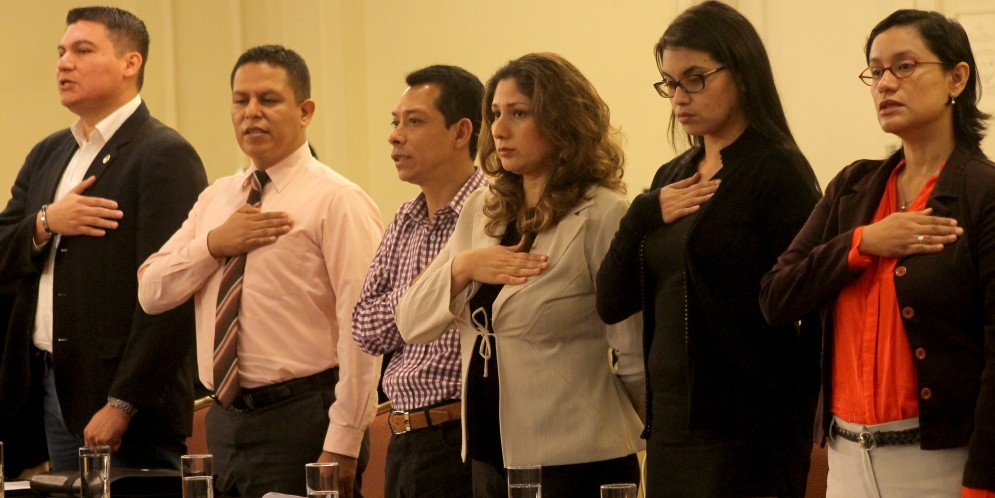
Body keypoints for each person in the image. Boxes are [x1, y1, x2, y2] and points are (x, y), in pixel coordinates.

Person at [760, 9, 995, 497]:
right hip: (846, 460)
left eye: (904, 66)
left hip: (940, 465)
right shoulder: (852, 187)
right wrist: (863, 242)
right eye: (876, 71)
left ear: (956, 78)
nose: (885, 84)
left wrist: (984, 481)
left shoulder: (983, 192)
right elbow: (776, 296)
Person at [595, 2, 822, 496]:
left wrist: (805, 412)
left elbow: (814, 298)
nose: (679, 97)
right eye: (670, 83)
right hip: (670, 424)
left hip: (751, 429)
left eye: (695, 79)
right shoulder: (672, 176)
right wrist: (641, 214)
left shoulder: (777, 170)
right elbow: (611, 301)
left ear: (741, 74)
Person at [395, 52, 645, 498]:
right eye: (495, 114)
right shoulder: (483, 209)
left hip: (578, 456)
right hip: (488, 455)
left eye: (519, 113)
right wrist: (463, 266)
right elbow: (411, 322)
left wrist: (642, 428)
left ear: (562, 121)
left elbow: (632, 349)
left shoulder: (603, 213)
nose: (499, 130)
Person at [138, 45, 383, 498]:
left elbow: (362, 330)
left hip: (303, 419)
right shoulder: (218, 199)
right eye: (241, 100)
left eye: (268, 100)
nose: (251, 112)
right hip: (225, 420)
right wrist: (214, 244)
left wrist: (345, 441)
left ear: (305, 111)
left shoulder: (337, 200)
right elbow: (152, 291)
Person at [0, 6, 206, 471]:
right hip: (50, 388)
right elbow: (3, 246)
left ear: (130, 63)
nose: (64, 63)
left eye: (82, 50)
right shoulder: (49, 152)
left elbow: (172, 296)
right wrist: (46, 221)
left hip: (124, 405)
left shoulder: (164, 154)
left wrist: (123, 403)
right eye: (61, 51)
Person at [353, 65, 486, 498]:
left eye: (414, 122)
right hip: (403, 436)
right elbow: (365, 328)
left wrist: (409, 304)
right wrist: (428, 294)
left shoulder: (493, 213)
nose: (395, 137)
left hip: (462, 436)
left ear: (461, 132)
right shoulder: (405, 219)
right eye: (395, 122)